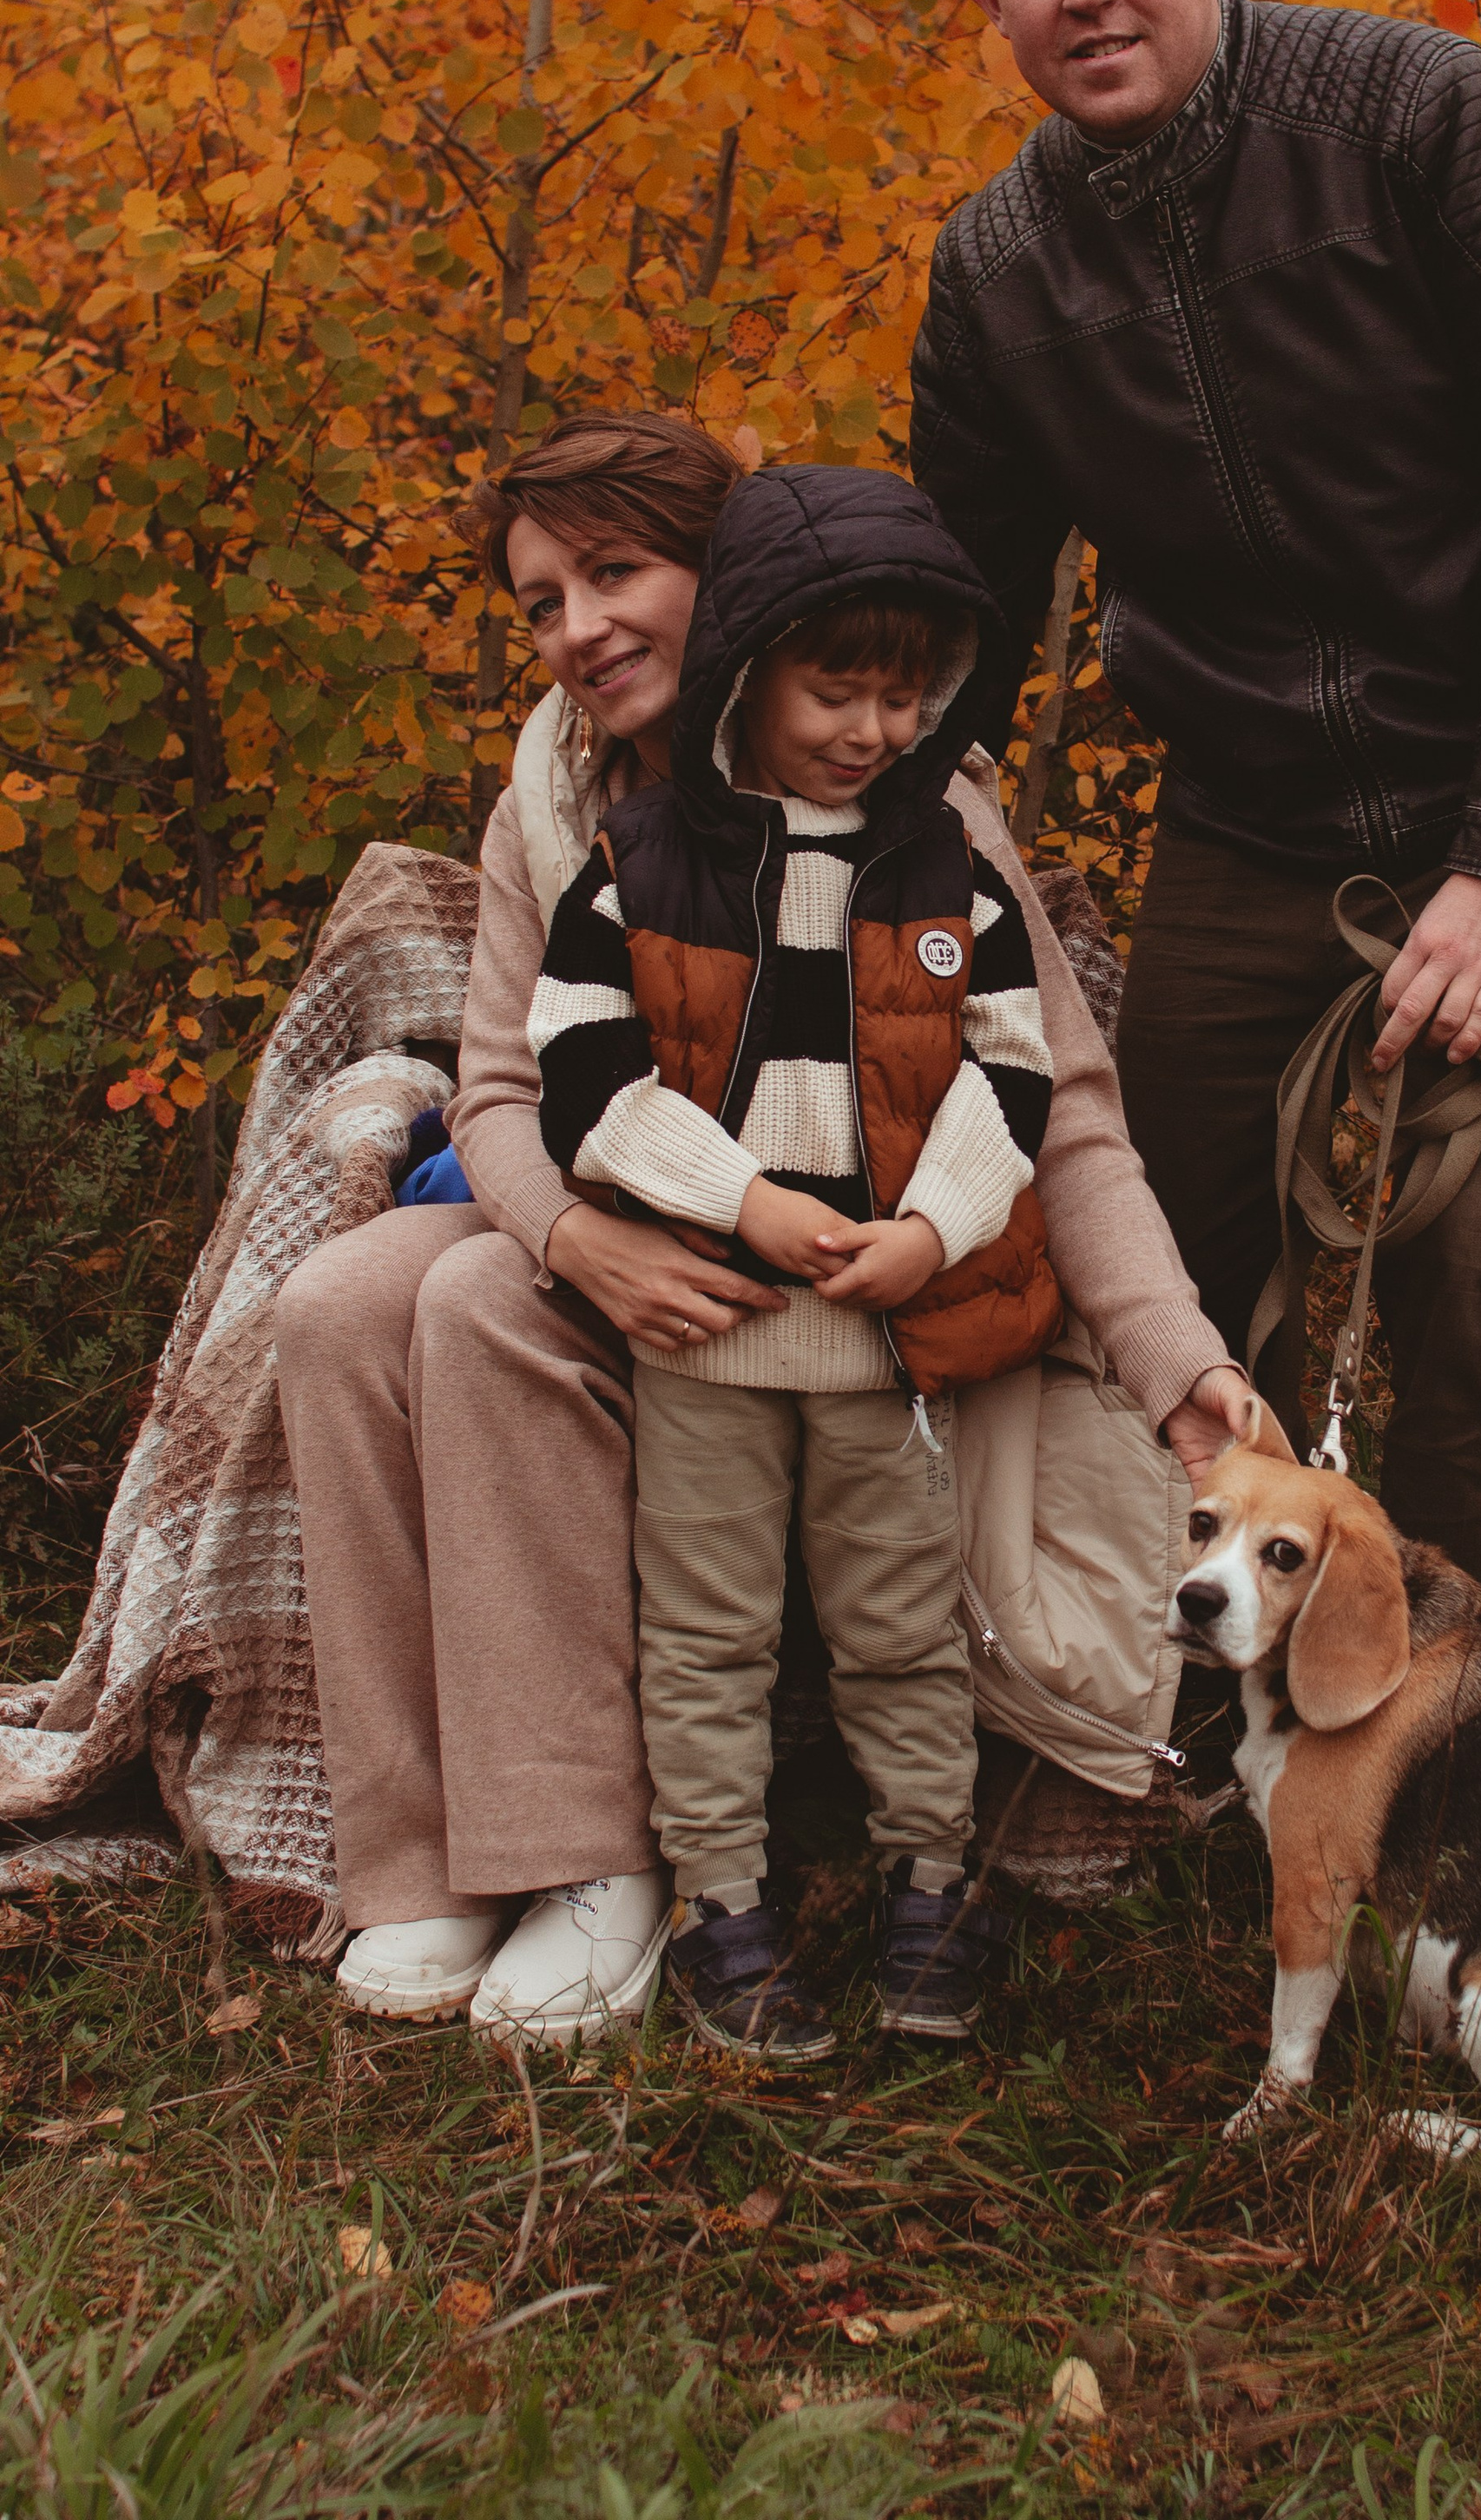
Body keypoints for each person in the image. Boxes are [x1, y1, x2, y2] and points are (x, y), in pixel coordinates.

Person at [276, 411, 1246, 2044]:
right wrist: (577, 1240)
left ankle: (595, 1861)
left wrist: (1176, 1355)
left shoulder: (912, 791)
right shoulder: (557, 796)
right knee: (335, 1306)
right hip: (623, 1209)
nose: (577, 627)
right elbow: (504, 1088)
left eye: (614, 572)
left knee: (469, 1315)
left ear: (727, 580)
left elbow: (1054, 1106)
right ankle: (423, 1856)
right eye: (538, 601)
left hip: (852, 1270)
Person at [912, 0, 1481, 1619]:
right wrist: (869, 820)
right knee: (1151, 1269)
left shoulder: (1420, 118)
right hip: (1249, 820)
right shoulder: (997, 270)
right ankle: (1156, 1715)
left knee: (1478, 1298)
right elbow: (958, 610)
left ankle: (1452, 1731)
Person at [531, 462, 1063, 2052]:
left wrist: (932, 1229)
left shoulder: (948, 870)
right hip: (708, 1332)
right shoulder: (635, 864)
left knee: (903, 1627)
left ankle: (926, 1887)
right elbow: (581, 1077)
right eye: (838, 691)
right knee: (705, 1632)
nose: (874, 733)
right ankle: (724, 1908)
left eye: (907, 699)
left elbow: (1013, 1071)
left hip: (885, 1345)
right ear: (749, 666)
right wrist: (739, 1199)